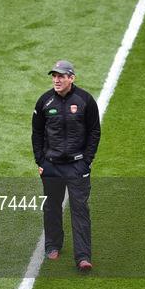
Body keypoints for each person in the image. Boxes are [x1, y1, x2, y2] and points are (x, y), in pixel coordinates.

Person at [31, 60, 101, 272]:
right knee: (52, 208)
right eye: (54, 76)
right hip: (51, 166)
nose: (56, 80)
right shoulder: (44, 101)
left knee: (80, 210)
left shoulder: (85, 101)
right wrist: (41, 161)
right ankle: (53, 245)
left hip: (76, 166)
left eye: (61, 76)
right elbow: (37, 133)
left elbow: (94, 132)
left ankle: (83, 256)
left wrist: (86, 161)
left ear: (72, 78)